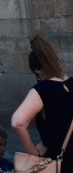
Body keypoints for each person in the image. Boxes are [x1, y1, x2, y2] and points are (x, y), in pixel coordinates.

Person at [11, 35, 73, 173]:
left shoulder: (43, 89)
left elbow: (18, 122)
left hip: (58, 163)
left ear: (37, 70)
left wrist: (34, 154)